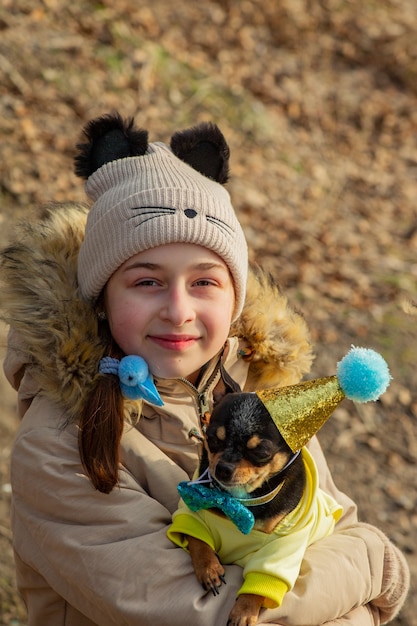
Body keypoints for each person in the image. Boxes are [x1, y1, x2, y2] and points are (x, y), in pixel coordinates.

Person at [0, 112, 409, 626]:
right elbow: (207, 615)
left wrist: (357, 567)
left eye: (204, 282)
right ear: (101, 298)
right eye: (147, 282)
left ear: (235, 298)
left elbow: (329, 525)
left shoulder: (261, 392)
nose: (179, 310)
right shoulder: (61, 443)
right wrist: (378, 564)